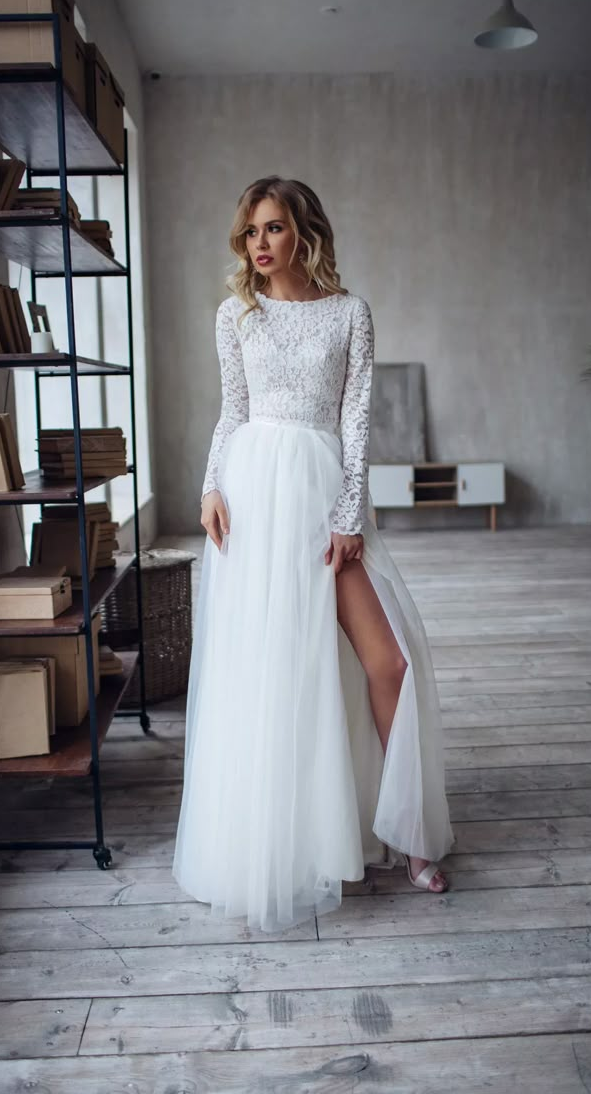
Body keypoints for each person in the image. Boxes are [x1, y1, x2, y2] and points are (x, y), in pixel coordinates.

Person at [172, 176, 455, 933]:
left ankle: (413, 839)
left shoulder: (349, 315)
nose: (260, 244)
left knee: (387, 662)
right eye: (251, 232)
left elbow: (357, 422)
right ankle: (280, 843)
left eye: (273, 228)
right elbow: (232, 409)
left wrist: (347, 511)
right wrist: (208, 489)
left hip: (323, 494)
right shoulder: (237, 315)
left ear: (304, 233)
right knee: (272, 676)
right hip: (252, 498)